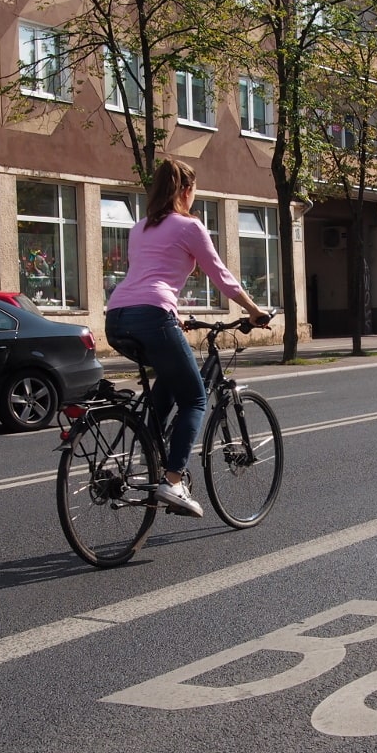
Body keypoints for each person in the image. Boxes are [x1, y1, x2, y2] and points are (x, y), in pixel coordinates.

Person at [105, 159, 270, 517]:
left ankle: (148, 461)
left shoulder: (139, 227)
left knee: (167, 383)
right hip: (152, 316)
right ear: (185, 191)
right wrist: (254, 311)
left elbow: (145, 276)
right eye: (194, 190)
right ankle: (173, 479)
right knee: (195, 398)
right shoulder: (189, 226)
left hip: (117, 318)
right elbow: (222, 277)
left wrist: (175, 315)